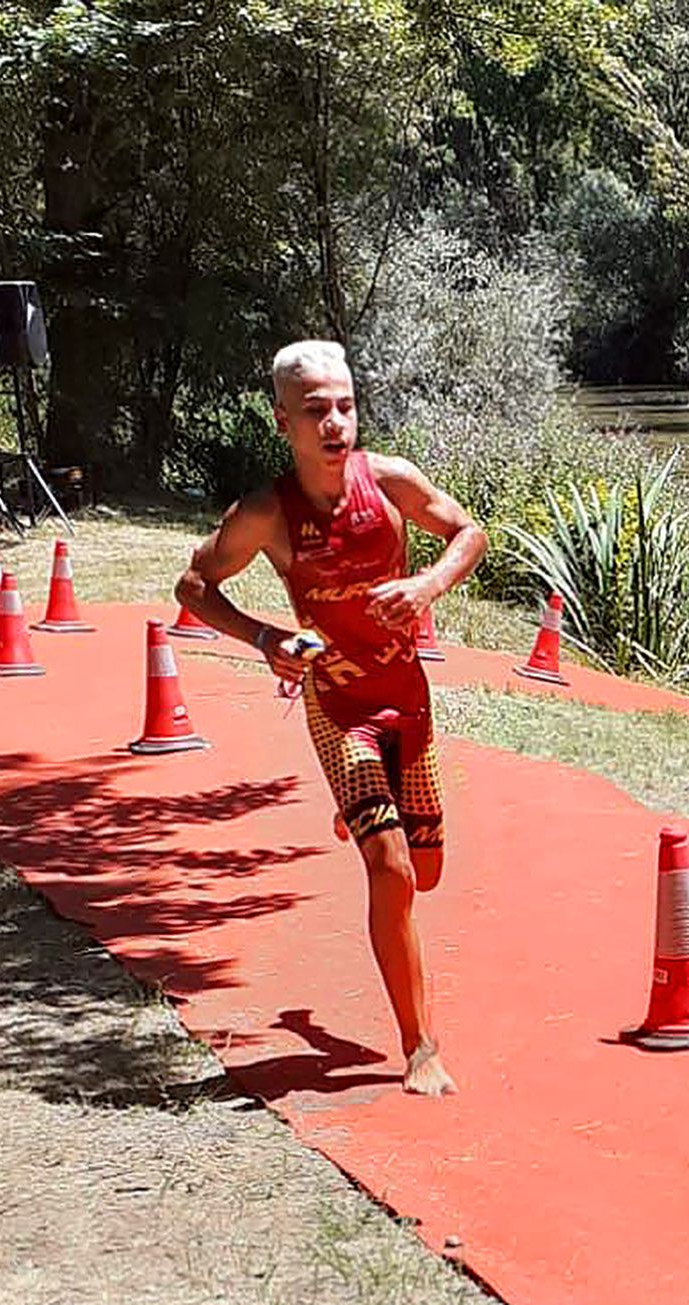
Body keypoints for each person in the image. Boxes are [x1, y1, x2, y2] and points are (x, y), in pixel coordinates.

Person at [175, 340, 487, 1097]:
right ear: (284, 421)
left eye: (345, 405)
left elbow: (470, 533)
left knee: (430, 870)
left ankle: (365, 809)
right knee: (392, 868)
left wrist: (427, 585)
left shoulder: (390, 482)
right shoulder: (265, 513)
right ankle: (421, 1047)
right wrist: (263, 637)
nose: (335, 423)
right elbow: (193, 584)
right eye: (316, 410)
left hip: (407, 699)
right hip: (338, 706)